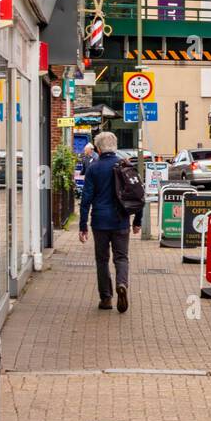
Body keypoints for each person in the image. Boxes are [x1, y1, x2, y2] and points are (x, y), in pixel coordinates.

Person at [78, 131, 141, 312]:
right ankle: (122, 284)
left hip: (100, 221)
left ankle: (106, 298)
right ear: (115, 147)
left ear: (98, 148)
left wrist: (83, 225)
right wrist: (137, 220)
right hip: (121, 220)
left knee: (102, 260)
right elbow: (137, 194)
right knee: (121, 257)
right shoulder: (126, 166)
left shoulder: (93, 168)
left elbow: (86, 199)